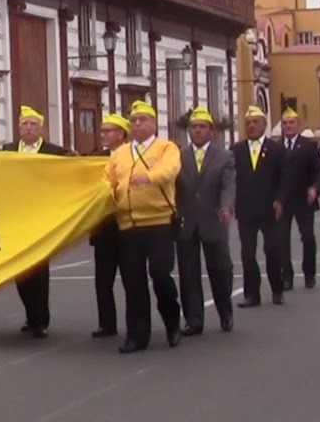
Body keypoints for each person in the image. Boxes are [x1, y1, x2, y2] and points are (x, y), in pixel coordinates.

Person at [104, 100, 183, 354]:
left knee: (160, 274)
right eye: (134, 120)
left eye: (143, 120)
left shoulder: (166, 148)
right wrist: (107, 191)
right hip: (128, 225)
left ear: (153, 123)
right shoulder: (120, 153)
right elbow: (107, 178)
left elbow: (170, 170)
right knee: (133, 282)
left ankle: (172, 322)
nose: (138, 124)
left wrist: (148, 177)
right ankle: (137, 335)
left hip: (159, 223)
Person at [0, 105, 66, 338]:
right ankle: (30, 314)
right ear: (18, 128)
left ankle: (41, 319)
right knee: (21, 271)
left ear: (41, 129)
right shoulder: (7, 151)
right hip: (17, 219)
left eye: (33, 124)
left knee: (39, 270)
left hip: (42, 218)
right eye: (24, 124)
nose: (28, 128)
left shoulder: (54, 152)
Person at [175, 108, 235, 335]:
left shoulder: (224, 156)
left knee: (220, 270)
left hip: (214, 219)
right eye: (193, 127)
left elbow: (228, 185)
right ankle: (194, 320)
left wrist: (226, 206)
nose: (197, 131)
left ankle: (225, 312)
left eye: (202, 127)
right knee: (188, 273)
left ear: (211, 130)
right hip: (187, 222)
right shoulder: (179, 156)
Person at [231, 107, 287, 307]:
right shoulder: (236, 150)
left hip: (269, 208)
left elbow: (283, 178)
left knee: (272, 250)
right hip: (245, 209)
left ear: (264, 124)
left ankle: (277, 289)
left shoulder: (276, 149)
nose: (252, 126)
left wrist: (280, 199)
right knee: (247, 253)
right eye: (248, 122)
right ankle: (251, 294)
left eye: (256, 122)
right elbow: (231, 180)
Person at [89, 113, 129, 338]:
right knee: (103, 281)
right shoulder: (95, 157)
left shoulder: (133, 154)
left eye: (108, 131)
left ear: (121, 134)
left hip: (127, 225)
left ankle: (136, 322)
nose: (103, 134)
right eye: (102, 131)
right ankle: (107, 324)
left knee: (132, 279)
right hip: (103, 228)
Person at [277, 109, 320, 290]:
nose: (288, 126)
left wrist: (314, 188)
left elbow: (319, 171)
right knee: (281, 239)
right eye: (285, 123)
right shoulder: (277, 147)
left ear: (298, 125)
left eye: (291, 123)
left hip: (304, 200)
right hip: (283, 201)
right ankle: (286, 275)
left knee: (308, 238)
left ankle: (309, 273)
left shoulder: (308, 146)